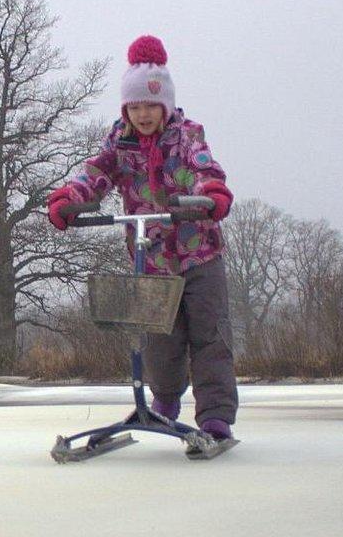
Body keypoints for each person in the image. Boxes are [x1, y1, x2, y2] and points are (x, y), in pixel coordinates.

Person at [47, 35, 238, 440]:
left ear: (165, 104)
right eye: (135, 106)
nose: (143, 114)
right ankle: (164, 398)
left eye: (151, 105)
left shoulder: (186, 135)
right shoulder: (120, 141)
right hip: (150, 257)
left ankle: (215, 418)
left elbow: (205, 168)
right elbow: (95, 174)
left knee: (210, 338)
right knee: (158, 342)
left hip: (199, 255)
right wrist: (69, 199)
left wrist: (211, 194)